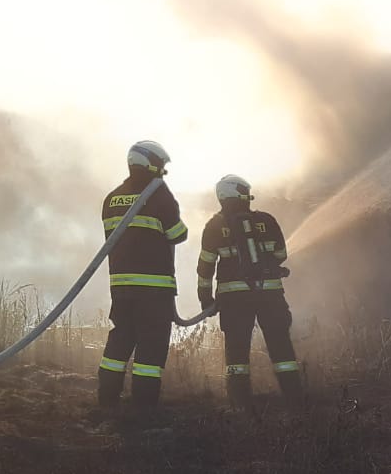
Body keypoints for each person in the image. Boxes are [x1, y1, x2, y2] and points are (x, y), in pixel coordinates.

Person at [196, 174, 303, 408]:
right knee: (281, 346)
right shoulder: (267, 220)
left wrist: (205, 298)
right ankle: (295, 398)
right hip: (270, 295)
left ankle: (240, 403)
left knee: (237, 351)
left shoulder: (214, 226)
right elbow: (281, 255)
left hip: (234, 299)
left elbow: (205, 266)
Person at [98, 140, 187, 408]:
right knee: (151, 347)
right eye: (161, 166)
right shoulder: (159, 196)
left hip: (121, 287)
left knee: (120, 339)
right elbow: (177, 234)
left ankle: (107, 400)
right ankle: (144, 408)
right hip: (154, 289)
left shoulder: (112, 198)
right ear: (152, 164)